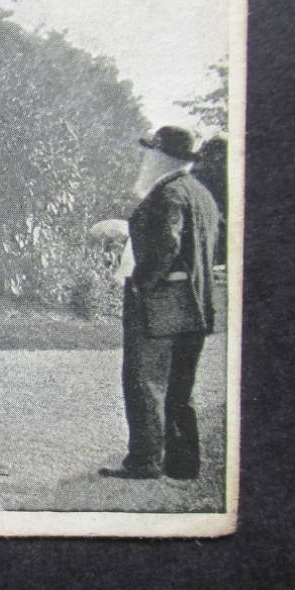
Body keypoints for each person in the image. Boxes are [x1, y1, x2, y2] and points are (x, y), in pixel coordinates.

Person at [101, 125, 222, 481]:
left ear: (162, 157)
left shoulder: (167, 194)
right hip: (196, 305)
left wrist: (142, 283)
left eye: (150, 152)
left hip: (162, 305)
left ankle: (145, 461)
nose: (145, 159)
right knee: (180, 387)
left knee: (145, 382)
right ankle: (183, 463)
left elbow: (167, 244)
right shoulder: (200, 193)